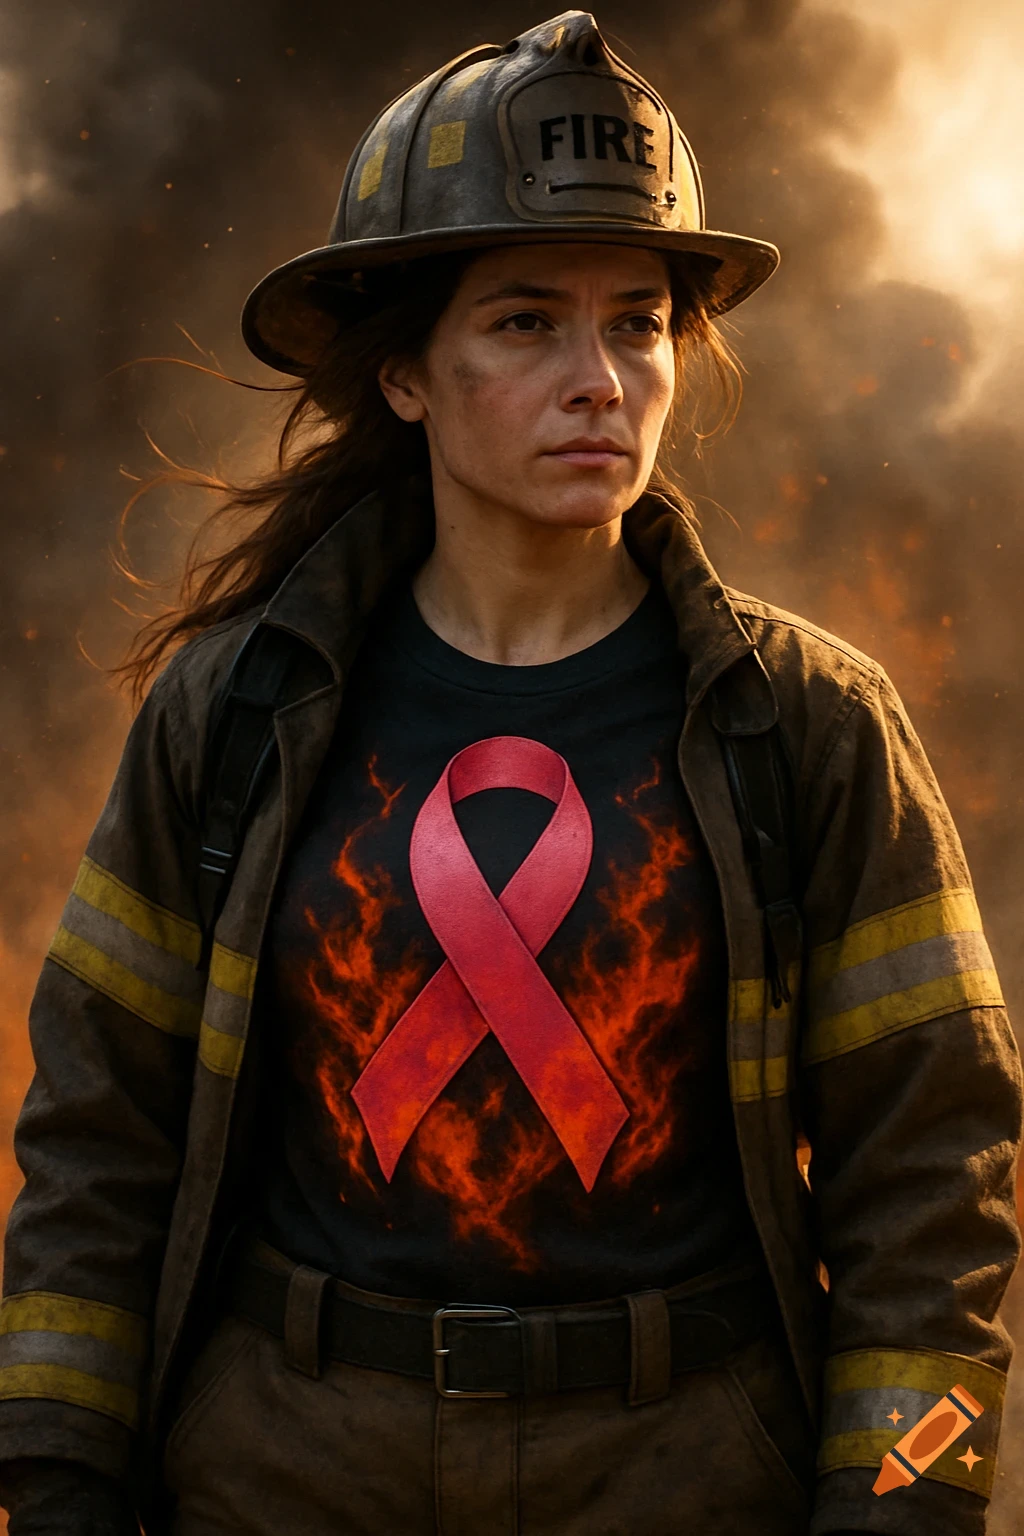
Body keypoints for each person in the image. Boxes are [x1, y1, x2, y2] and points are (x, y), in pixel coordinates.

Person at [0, 11, 1019, 1536]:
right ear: (405, 373)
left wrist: (899, 1504)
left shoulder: (809, 727)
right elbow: (98, 1137)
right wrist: (57, 1482)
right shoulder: (235, 718)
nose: (600, 378)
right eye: (528, 321)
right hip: (286, 1475)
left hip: (681, 1479)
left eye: (641, 322)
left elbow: (936, 1179)